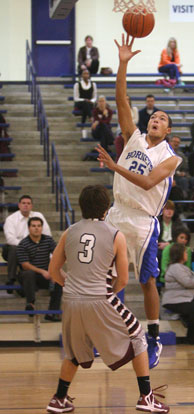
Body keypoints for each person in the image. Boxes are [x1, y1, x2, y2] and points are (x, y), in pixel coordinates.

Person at [96, 34, 182, 370]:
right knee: (108, 278)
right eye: (154, 117)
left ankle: (154, 337)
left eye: (162, 118)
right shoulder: (133, 136)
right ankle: (116, 336)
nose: (156, 120)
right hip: (117, 214)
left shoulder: (171, 157)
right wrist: (123, 63)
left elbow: (147, 181)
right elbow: (121, 99)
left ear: (169, 129)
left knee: (146, 281)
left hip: (145, 222)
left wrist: (115, 166)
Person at [46, 185, 169, 414]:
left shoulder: (69, 231)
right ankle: (146, 397)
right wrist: (101, 293)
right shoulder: (115, 234)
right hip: (100, 298)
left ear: (81, 206)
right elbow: (122, 280)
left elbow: (54, 271)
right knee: (138, 337)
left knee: (75, 350)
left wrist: (73, 287)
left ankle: (59, 399)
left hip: (71, 300)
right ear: (107, 209)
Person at [17, 217, 62, 320]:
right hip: (27, 277)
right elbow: (25, 265)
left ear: (42, 228)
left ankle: (52, 313)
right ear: (29, 228)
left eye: (39, 226)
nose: (36, 228)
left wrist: (53, 272)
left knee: (59, 280)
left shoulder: (48, 240)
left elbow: (57, 255)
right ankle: (30, 303)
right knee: (28, 273)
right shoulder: (23, 244)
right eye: (33, 226)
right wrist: (43, 271)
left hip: (44, 275)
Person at [3, 195, 51, 287]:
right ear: (19, 205)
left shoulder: (38, 216)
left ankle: (43, 282)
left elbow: (47, 234)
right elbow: (10, 239)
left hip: (33, 249)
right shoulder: (11, 219)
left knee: (45, 249)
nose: (26, 205)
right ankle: (11, 279)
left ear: (31, 206)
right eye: (23, 203)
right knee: (13, 249)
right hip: (14, 249)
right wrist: (27, 246)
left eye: (28, 203)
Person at [162, 242, 194, 344]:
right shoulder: (176, 267)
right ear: (179, 254)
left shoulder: (182, 267)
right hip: (175, 299)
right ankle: (191, 339)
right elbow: (188, 283)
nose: (187, 254)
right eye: (185, 252)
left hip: (184, 298)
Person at [157, 200, 182, 269]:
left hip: (174, 247)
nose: (169, 211)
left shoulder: (178, 224)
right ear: (162, 211)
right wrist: (159, 245)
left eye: (171, 209)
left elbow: (181, 237)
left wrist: (169, 244)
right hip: (159, 246)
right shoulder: (157, 223)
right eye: (167, 209)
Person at [115, 96, 139, 162]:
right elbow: (121, 121)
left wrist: (128, 123)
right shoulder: (119, 110)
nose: (126, 101)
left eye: (128, 99)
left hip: (133, 129)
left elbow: (136, 120)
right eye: (125, 99)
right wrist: (129, 123)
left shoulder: (134, 109)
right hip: (121, 129)